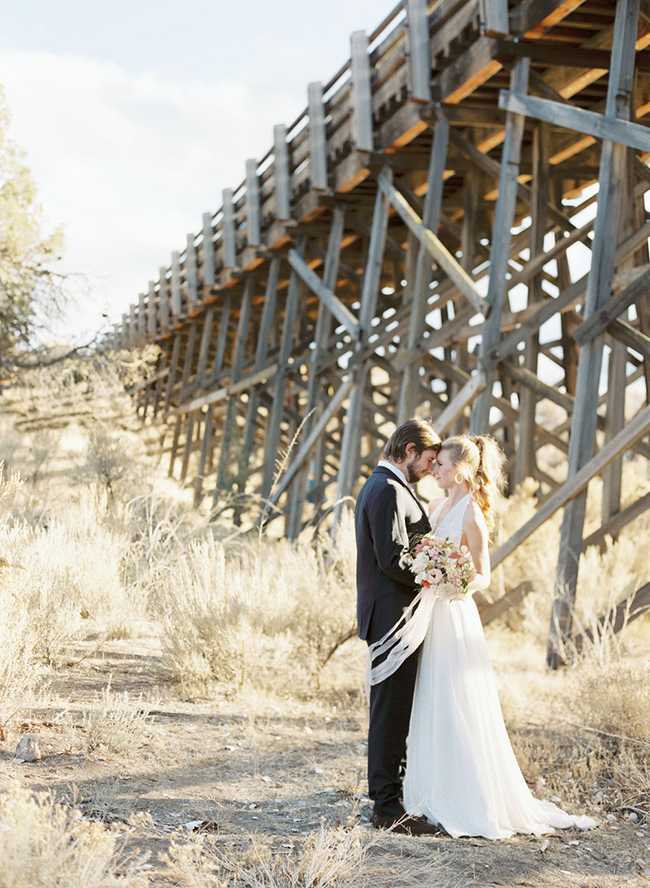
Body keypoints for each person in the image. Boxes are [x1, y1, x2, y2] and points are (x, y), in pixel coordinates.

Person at [402, 434, 598, 839]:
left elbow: (483, 574)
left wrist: (452, 579)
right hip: (431, 611)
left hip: (454, 612)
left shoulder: (471, 513)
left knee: (456, 697)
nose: (433, 469)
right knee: (430, 696)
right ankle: (427, 791)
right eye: (433, 463)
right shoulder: (437, 506)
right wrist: (429, 570)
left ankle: (465, 797)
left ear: (459, 469)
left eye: (440, 464)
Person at [355, 418, 441, 836]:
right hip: (392, 619)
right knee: (389, 713)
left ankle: (391, 799)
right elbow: (392, 559)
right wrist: (437, 573)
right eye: (426, 460)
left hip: (396, 615)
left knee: (395, 709)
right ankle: (386, 809)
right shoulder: (387, 489)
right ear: (408, 450)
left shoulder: (391, 487)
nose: (429, 468)